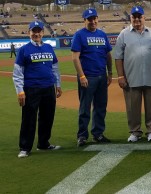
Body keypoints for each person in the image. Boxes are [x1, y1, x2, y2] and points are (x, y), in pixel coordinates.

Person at [114, 6, 151, 142]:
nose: (137, 19)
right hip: (131, 77)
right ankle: (135, 132)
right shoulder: (123, 34)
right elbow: (118, 57)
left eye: (139, 16)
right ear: (130, 18)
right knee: (132, 107)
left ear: (144, 18)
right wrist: (120, 76)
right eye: (134, 17)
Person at [13, 21, 62, 158]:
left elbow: (55, 68)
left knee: (47, 116)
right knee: (29, 118)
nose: (36, 34)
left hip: (48, 87)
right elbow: (17, 73)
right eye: (33, 31)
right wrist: (20, 91)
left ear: (43, 32)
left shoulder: (49, 48)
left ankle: (43, 143)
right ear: (29, 33)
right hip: (31, 88)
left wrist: (58, 85)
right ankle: (25, 147)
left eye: (39, 31)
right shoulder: (24, 50)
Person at [71, 8, 113, 147]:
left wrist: (110, 72)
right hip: (88, 77)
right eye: (90, 19)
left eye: (95, 18)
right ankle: (82, 136)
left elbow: (108, 55)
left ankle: (98, 134)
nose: (93, 21)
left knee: (101, 107)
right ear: (84, 21)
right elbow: (75, 58)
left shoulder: (102, 34)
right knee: (85, 108)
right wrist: (81, 76)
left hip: (102, 76)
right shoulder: (79, 35)